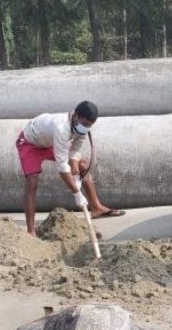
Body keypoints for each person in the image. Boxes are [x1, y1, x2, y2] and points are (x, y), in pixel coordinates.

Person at [16, 101, 125, 236]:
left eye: (90, 125)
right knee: (32, 181)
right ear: (76, 116)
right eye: (85, 124)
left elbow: (75, 150)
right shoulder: (62, 128)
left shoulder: (83, 128)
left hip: (50, 142)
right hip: (30, 143)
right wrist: (77, 193)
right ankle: (31, 230)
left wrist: (75, 168)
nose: (86, 128)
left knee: (82, 164)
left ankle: (96, 207)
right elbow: (62, 166)